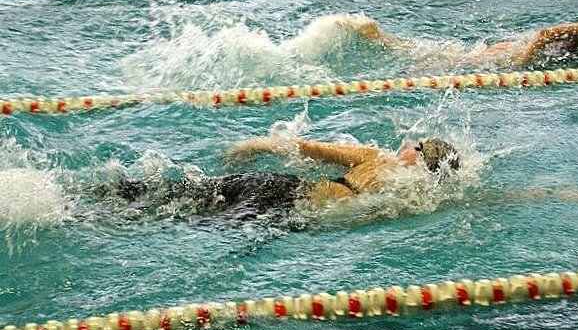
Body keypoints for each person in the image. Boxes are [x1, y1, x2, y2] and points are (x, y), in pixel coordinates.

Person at [106, 136, 460, 224]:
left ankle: (100, 193)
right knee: (175, 217)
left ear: (421, 160)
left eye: (418, 144)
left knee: (171, 195)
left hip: (271, 184)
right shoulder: (409, 194)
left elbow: (305, 148)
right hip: (282, 203)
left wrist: (254, 144)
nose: (409, 144)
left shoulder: (375, 157)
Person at [337, 9, 578, 70]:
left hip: (515, 56)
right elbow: (546, 34)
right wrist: (523, 62)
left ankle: (382, 39)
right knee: (434, 64)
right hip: (511, 55)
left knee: (440, 60)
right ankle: (376, 36)